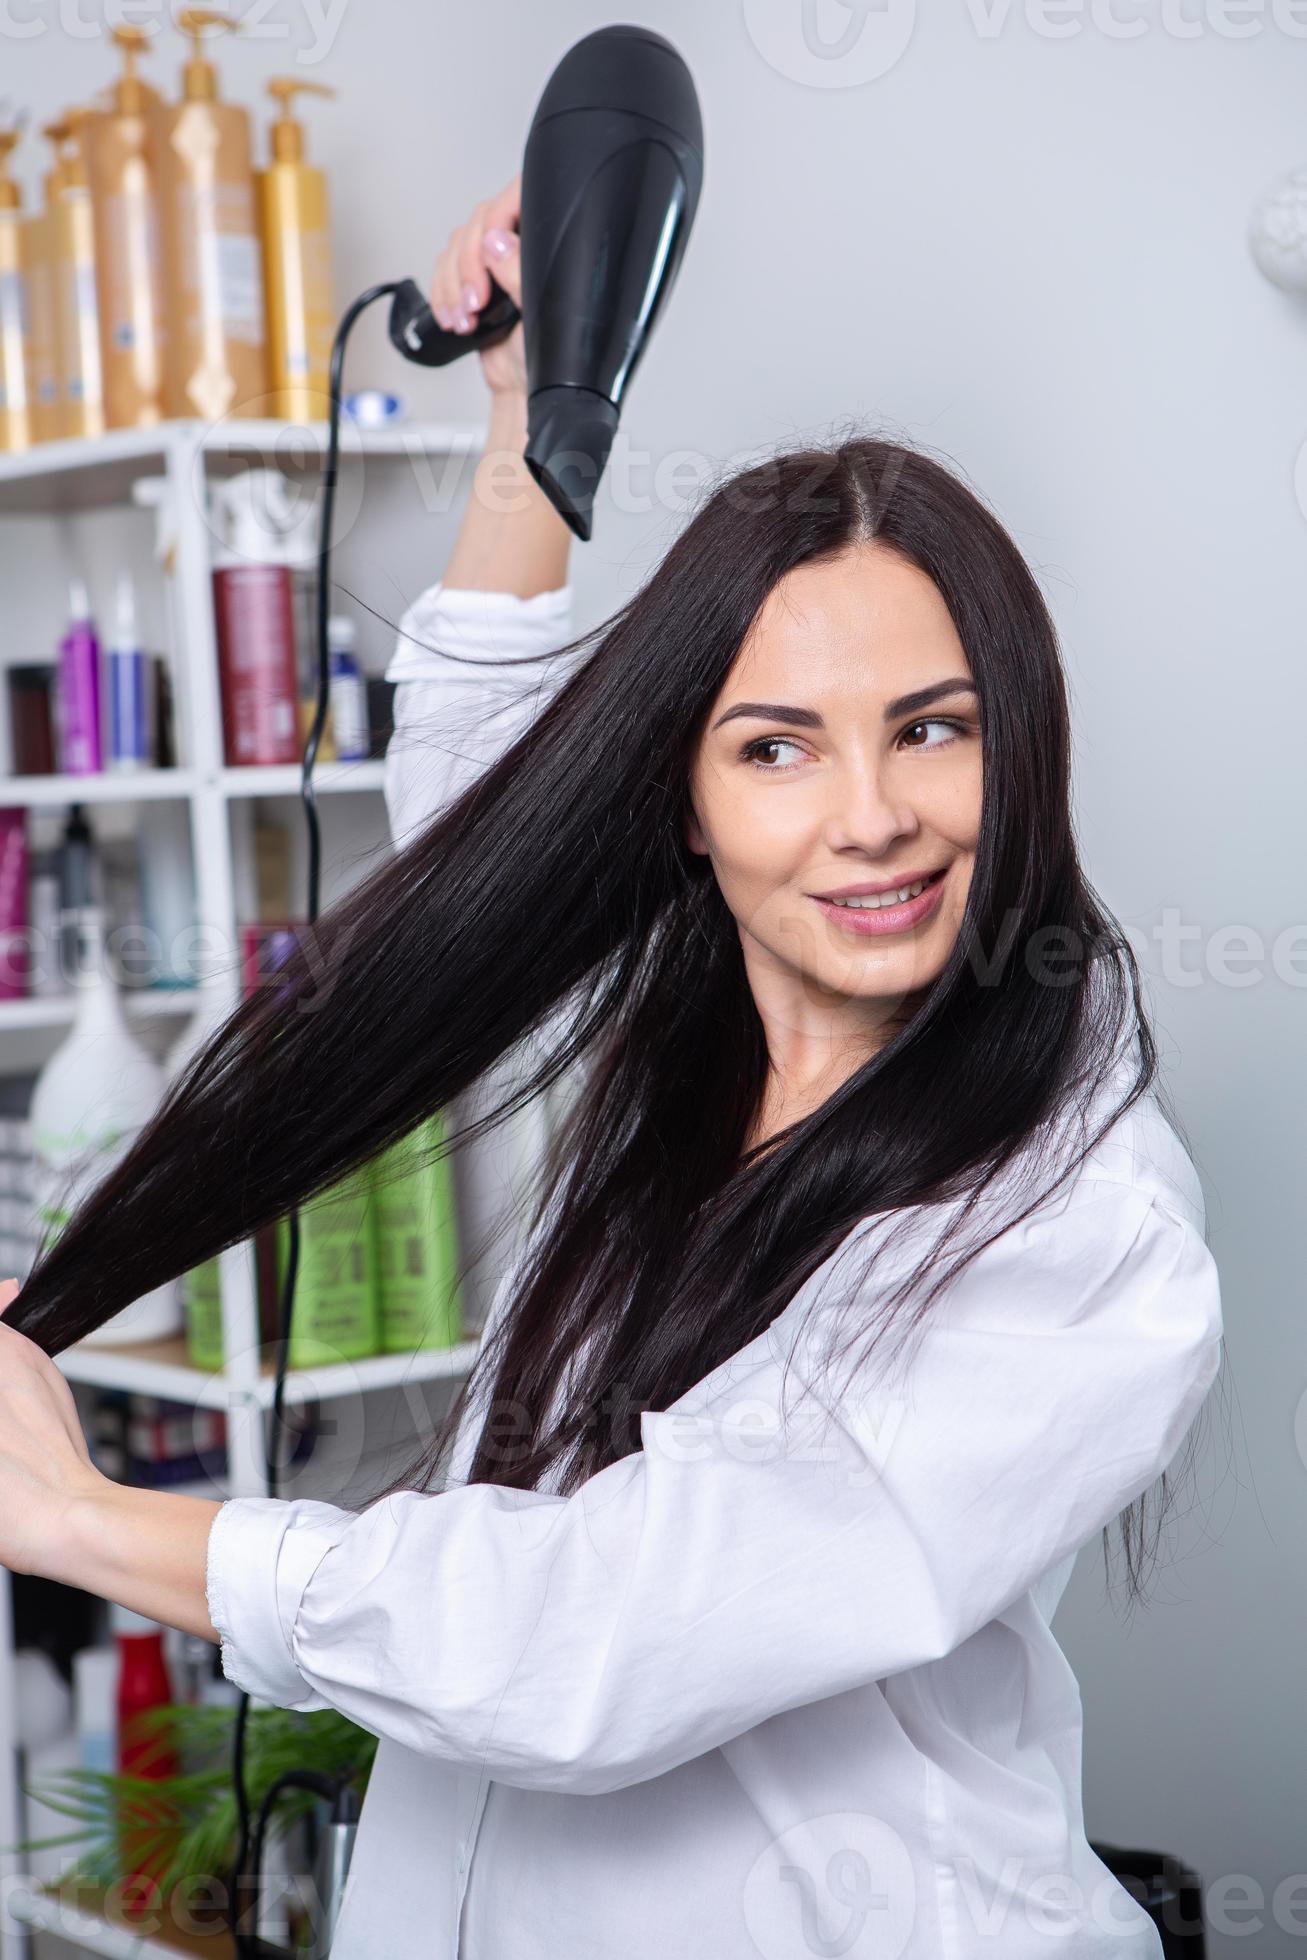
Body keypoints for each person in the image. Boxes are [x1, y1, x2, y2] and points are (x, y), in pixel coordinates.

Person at [0, 172, 1223, 1960]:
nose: (872, 819)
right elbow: (486, 817)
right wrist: (527, 421)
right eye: (777, 748)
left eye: (933, 729)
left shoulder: (1083, 1225)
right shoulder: (677, 1028)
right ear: (692, 799)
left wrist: (79, 1522)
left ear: (1018, 740)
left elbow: (591, 1639)